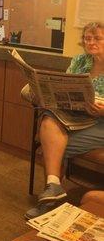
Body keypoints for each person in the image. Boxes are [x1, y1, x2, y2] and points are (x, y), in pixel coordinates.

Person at [25, 21, 104, 219]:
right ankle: (54, 186)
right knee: (49, 118)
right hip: (76, 117)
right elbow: (66, 88)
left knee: (52, 147)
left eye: (97, 38)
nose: (91, 42)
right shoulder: (80, 61)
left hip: (100, 123)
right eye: (87, 38)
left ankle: (51, 201)